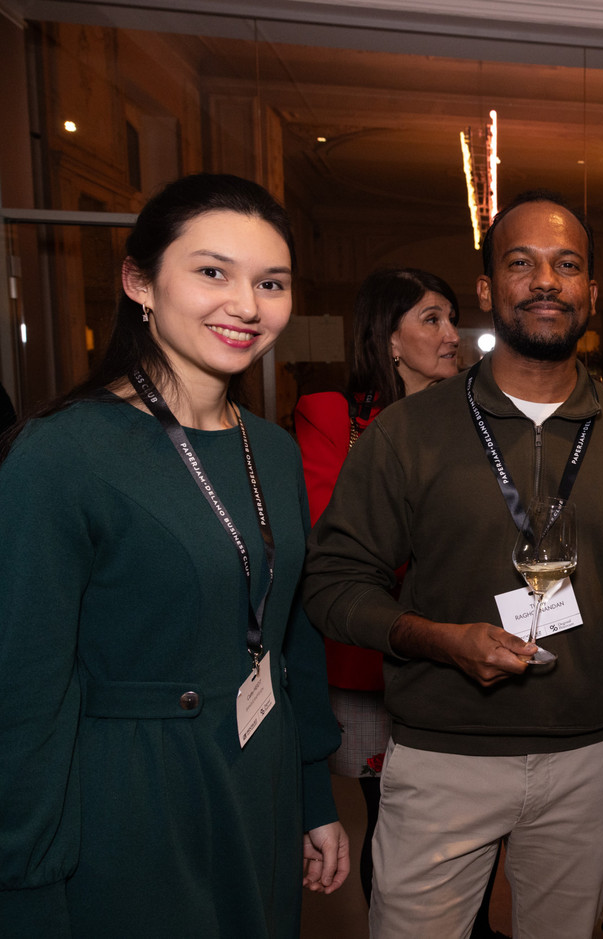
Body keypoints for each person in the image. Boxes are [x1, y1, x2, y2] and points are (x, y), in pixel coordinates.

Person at [303, 189, 603, 938]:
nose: (546, 280)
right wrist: (436, 637)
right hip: (444, 758)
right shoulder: (407, 432)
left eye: (567, 265)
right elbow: (333, 584)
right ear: (487, 288)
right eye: (522, 263)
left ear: (592, 292)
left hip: (587, 761)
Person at [0, 173, 349, 936]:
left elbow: (291, 635)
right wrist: (23, 884)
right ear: (140, 281)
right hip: (132, 800)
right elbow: (22, 692)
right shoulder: (62, 454)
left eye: (271, 282)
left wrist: (310, 794)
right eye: (212, 272)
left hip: (255, 779)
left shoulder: (274, 451)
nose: (247, 305)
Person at [292, 267, 459, 903]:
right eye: (431, 319)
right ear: (388, 340)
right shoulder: (331, 415)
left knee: (465, 825)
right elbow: (334, 537)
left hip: (461, 657)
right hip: (374, 662)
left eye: (450, 317)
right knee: (396, 830)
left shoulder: (471, 419)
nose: (451, 336)